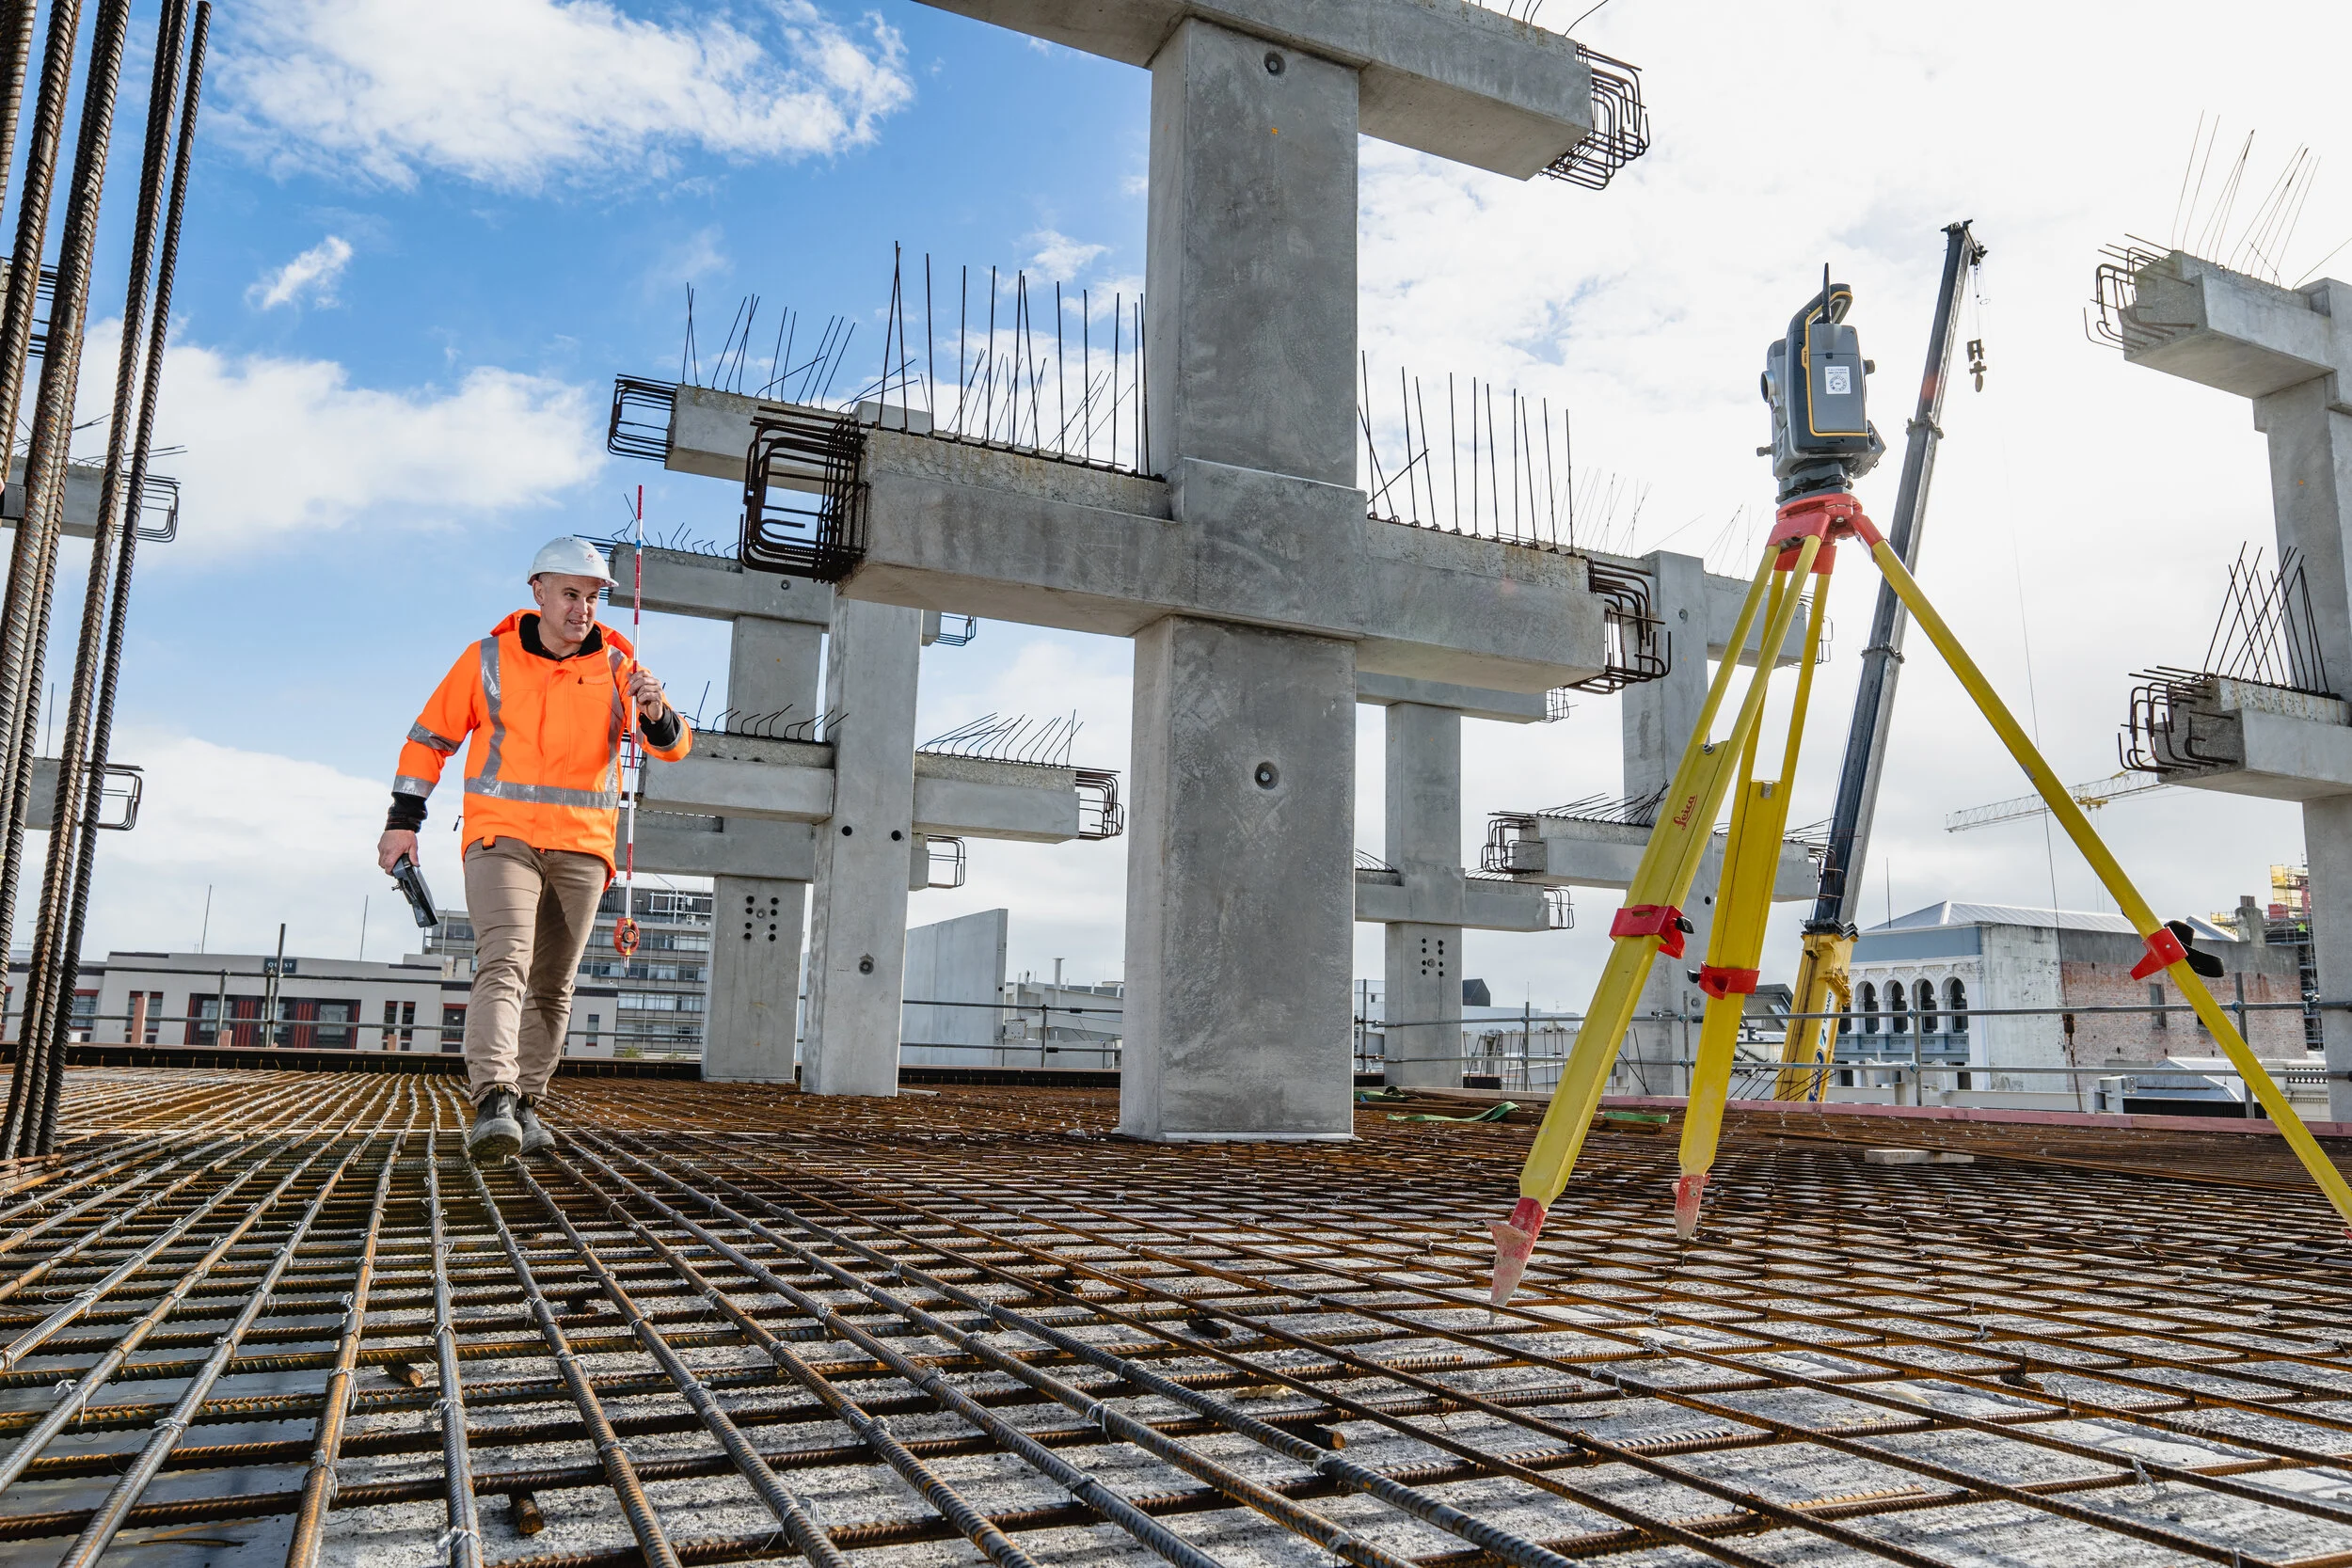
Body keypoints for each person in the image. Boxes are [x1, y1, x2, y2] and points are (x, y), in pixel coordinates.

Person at [376, 537, 692, 1161]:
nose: (583, 608)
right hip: (502, 837)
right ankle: (494, 1098)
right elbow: (429, 740)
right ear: (539, 592)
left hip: (583, 847)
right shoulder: (488, 658)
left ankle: (525, 1104)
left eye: (593, 597)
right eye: (571, 594)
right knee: (505, 960)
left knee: (552, 983)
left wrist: (656, 711)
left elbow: (673, 746)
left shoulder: (620, 666)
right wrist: (402, 821)